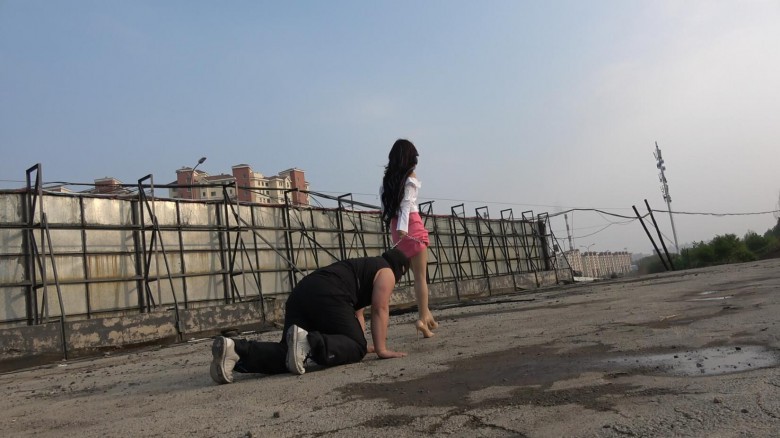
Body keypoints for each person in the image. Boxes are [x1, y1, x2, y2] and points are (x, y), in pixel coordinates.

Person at [209, 248, 410, 384]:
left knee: (289, 354)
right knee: (356, 348)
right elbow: (380, 308)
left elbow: (357, 314)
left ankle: (236, 351)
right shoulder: (387, 271)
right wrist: (380, 349)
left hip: (302, 293)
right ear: (401, 270)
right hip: (329, 293)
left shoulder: (365, 267)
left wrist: (360, 341)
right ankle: (309, 343)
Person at [380, 139, 439, 338]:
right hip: (410, 226)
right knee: (421, 278)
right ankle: (422, 319)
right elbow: (407, 204)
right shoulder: (410, 177)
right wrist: (404, 228)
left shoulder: (387, 181)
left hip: (396, 228)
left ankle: (429, 318)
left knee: (412, 275)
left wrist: (397, 228)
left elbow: (385, 208)